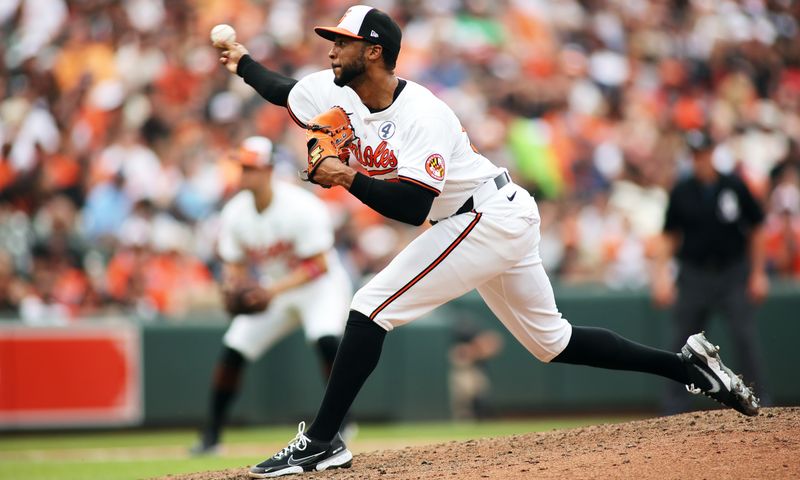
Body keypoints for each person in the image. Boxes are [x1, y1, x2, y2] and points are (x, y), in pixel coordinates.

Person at [216, 6, 760, 477]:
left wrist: (348, 177)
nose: (331, 49)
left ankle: (323, 440)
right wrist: (240, 61)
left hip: (484, 214)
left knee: (368, 305)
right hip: (487, 216)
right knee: (554, 343)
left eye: (343, 41)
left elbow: (411, 208)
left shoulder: (422, 113)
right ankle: (689, 367)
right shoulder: (334, 92)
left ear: (375, 52)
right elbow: (283, 89)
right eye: (331, 41)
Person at [190, 136, 352, 455]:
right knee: (234, 349)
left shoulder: (301, 206)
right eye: (242, 167)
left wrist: (269, 291)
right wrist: (232, 286)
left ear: (268, 170)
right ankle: (211, 435)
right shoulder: (235, 212)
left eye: (251, 167)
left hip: (320, 287)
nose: (244, 173)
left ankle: (343, 422)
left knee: (325, 340)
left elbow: (319, 266)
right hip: (273, 288)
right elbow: (234, 264)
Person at [651, 129, 770, 414]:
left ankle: (761, 400)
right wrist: (661, 276)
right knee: (682, 341)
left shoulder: (734, 185)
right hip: (694, 274)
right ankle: (674, 408)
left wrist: (758, 273)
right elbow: (668, 236)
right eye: (694, 155)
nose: (699, 160)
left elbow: (756, 229)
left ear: (712, 153)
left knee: (744, 337)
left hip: (731, 272)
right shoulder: (682, 190)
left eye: (702, 154)